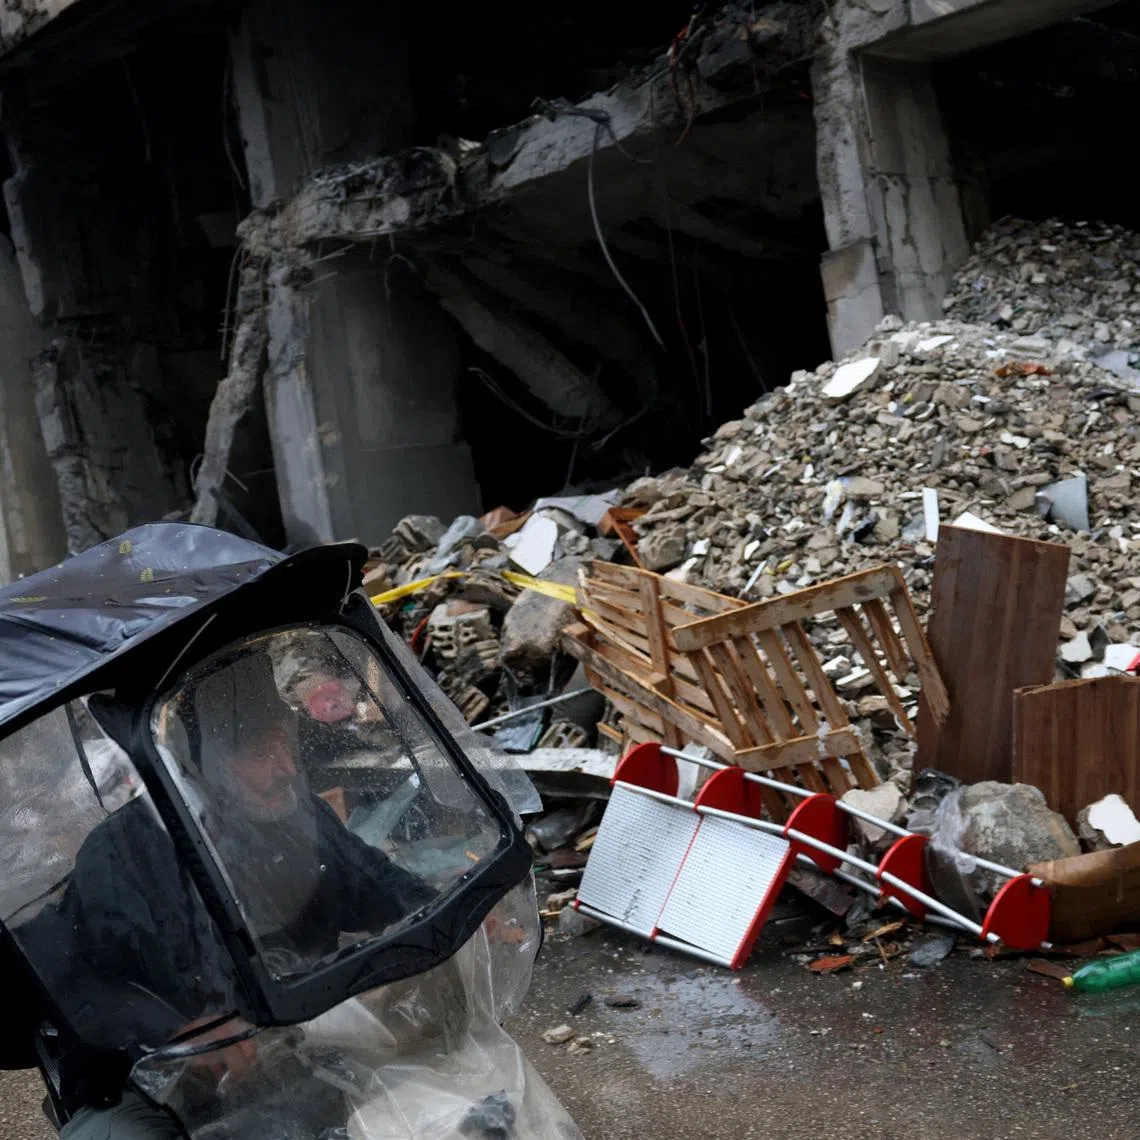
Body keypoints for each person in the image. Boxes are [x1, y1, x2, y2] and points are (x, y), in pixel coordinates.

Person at [33, 646, 433, 1138]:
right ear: (203, 760)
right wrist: (179, 1028)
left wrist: (447, 906)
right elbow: (70, 985)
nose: (287, 768)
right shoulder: (118, 853)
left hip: (291, 1048)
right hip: (141, 1086)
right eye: (261, 752)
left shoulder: (297, 821)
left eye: (287, 744)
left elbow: (374, 881)